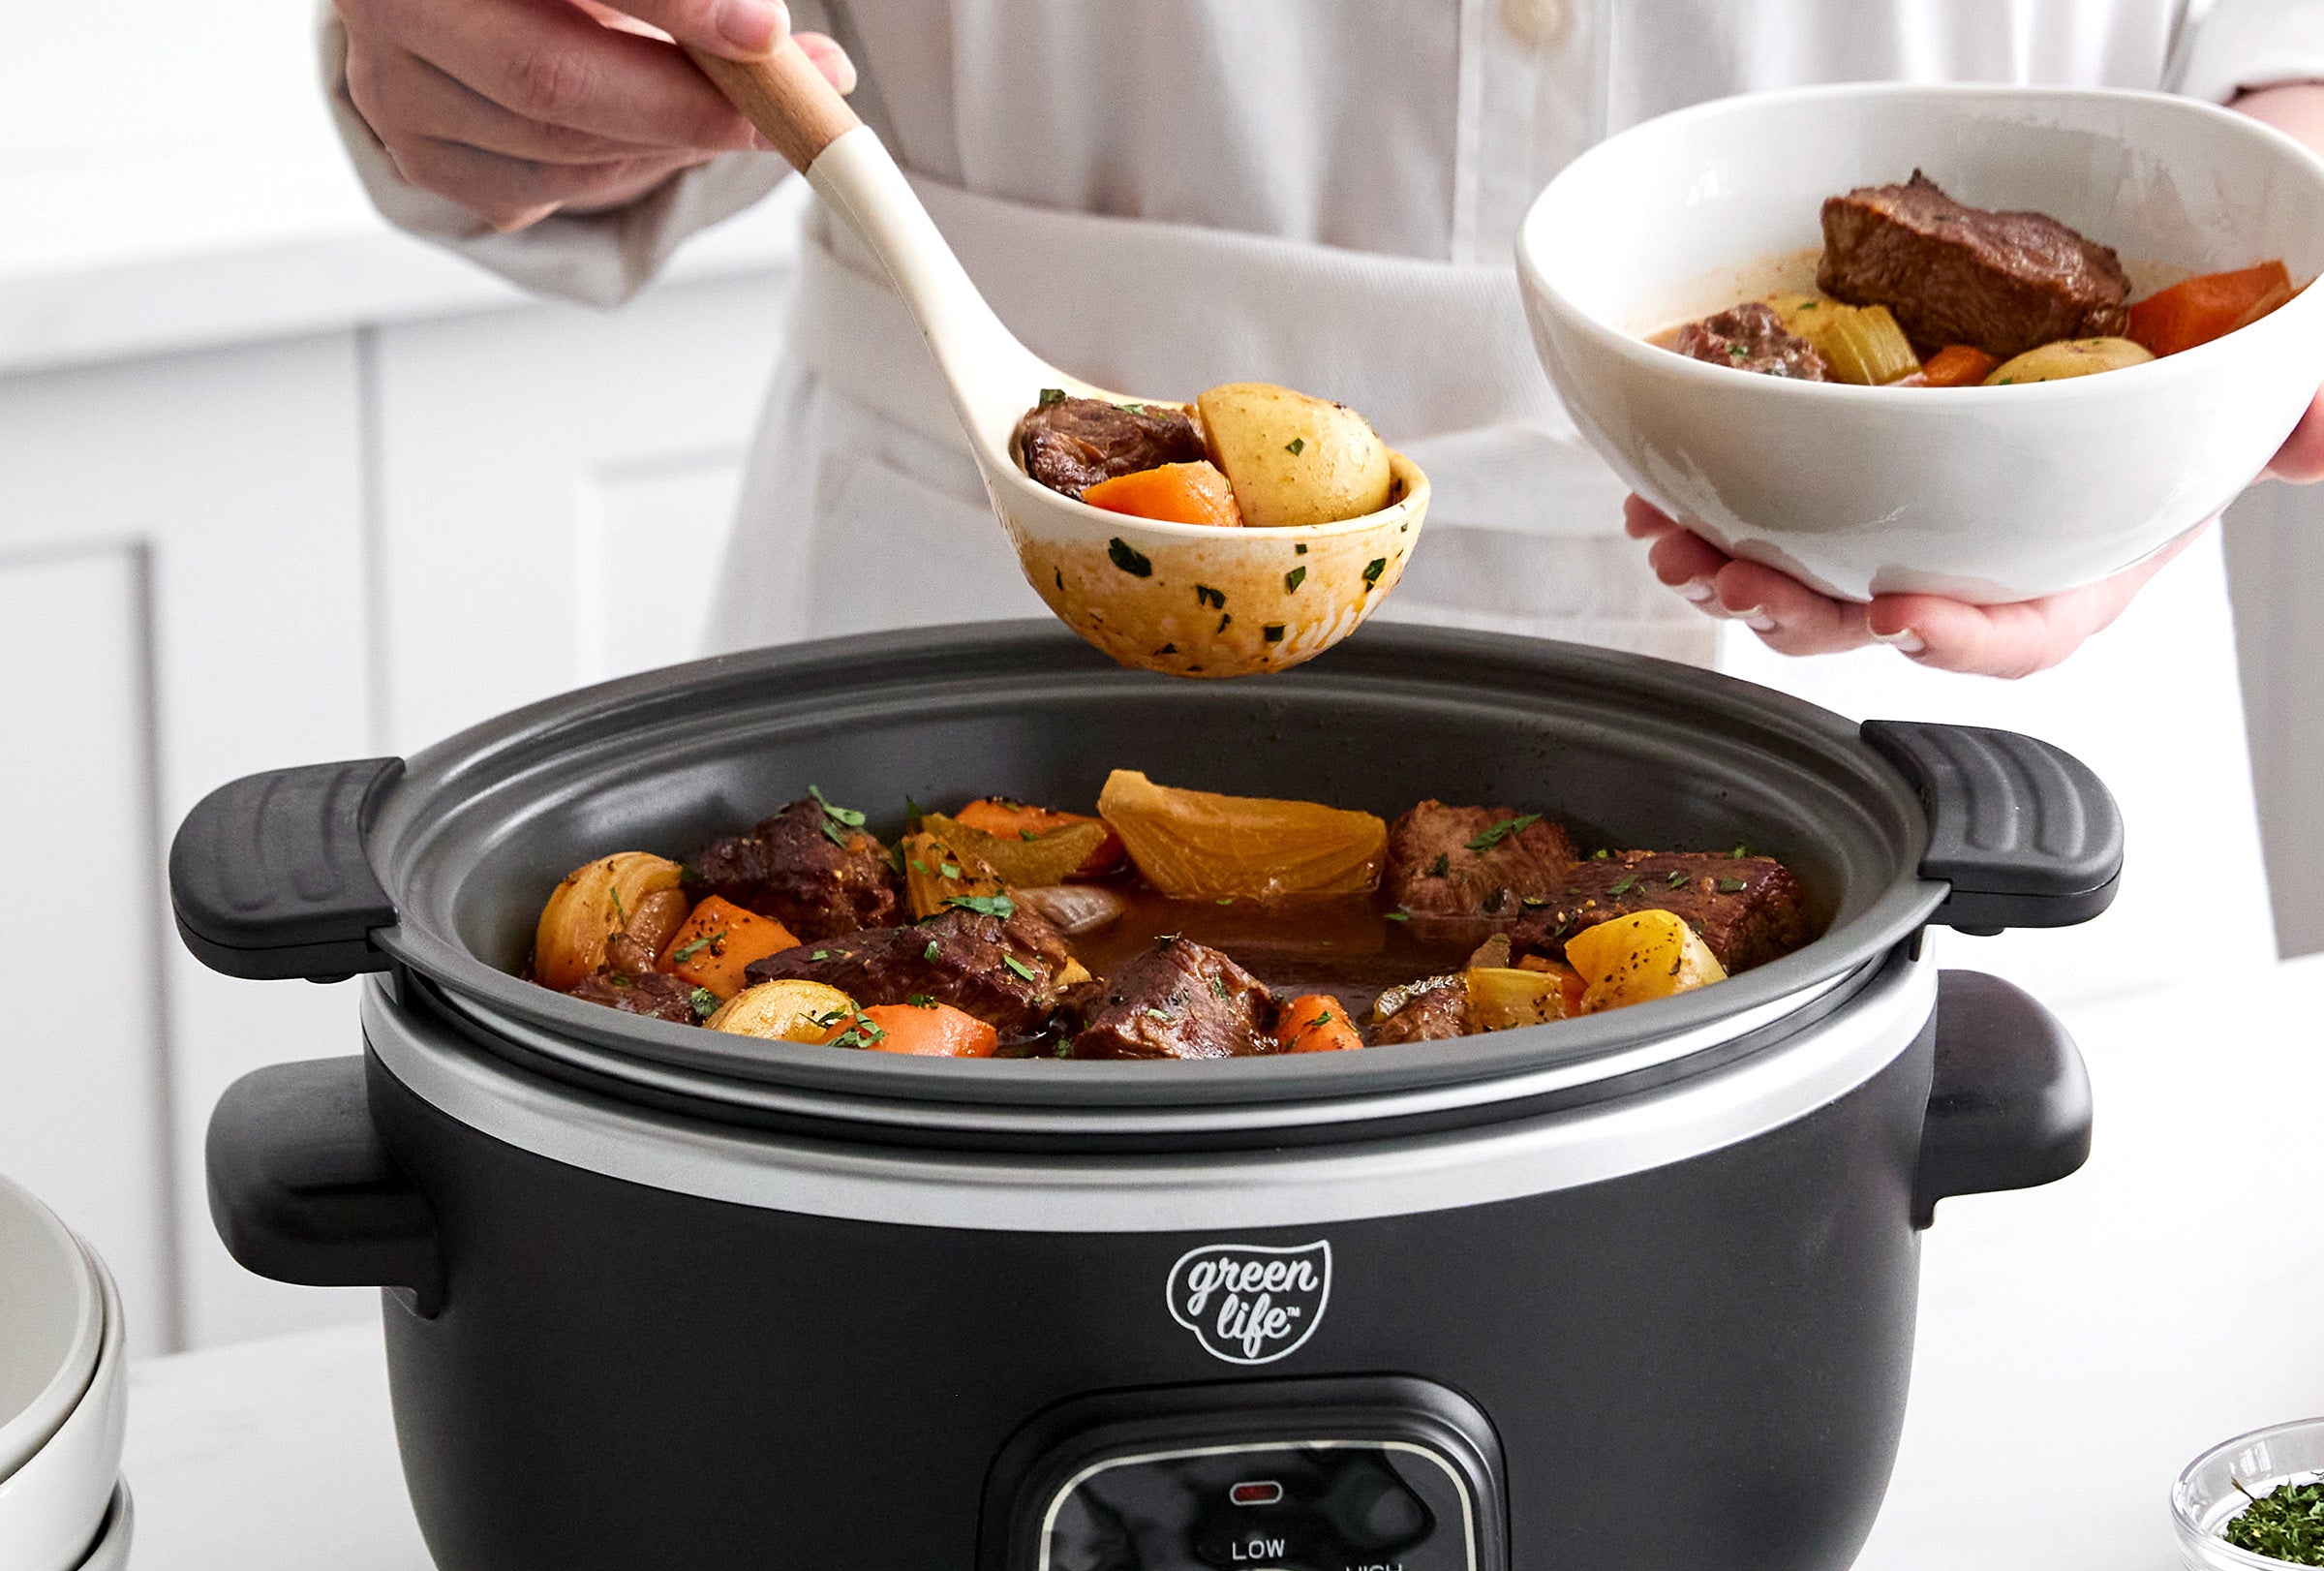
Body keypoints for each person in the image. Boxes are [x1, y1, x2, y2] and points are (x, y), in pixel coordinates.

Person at [323, 0, 2324, 1004]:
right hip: (984, 570)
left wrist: (2247, 287)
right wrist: (471, 70)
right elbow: (501, 69)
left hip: (1966, 598)